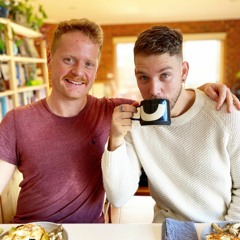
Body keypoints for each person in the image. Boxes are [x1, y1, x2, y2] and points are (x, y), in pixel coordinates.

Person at [0, 19, 237, 224]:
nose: (78, 72)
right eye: (69, 60)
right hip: (30, 230)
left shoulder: (118, 111)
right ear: (49, 59)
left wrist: (206, 92)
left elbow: (176, 102)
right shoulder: (17, 120)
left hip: (91, 233)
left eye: (89, 63)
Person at [101, 25, 240, 223]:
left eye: (165, 75)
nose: (154, 90)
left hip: (216, 229)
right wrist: (115, 139)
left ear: (183, 71)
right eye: (143, 77)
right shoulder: (136, 122)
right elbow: (118, 197)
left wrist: (225, 233)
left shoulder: (226, 113)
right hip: (165, 229)